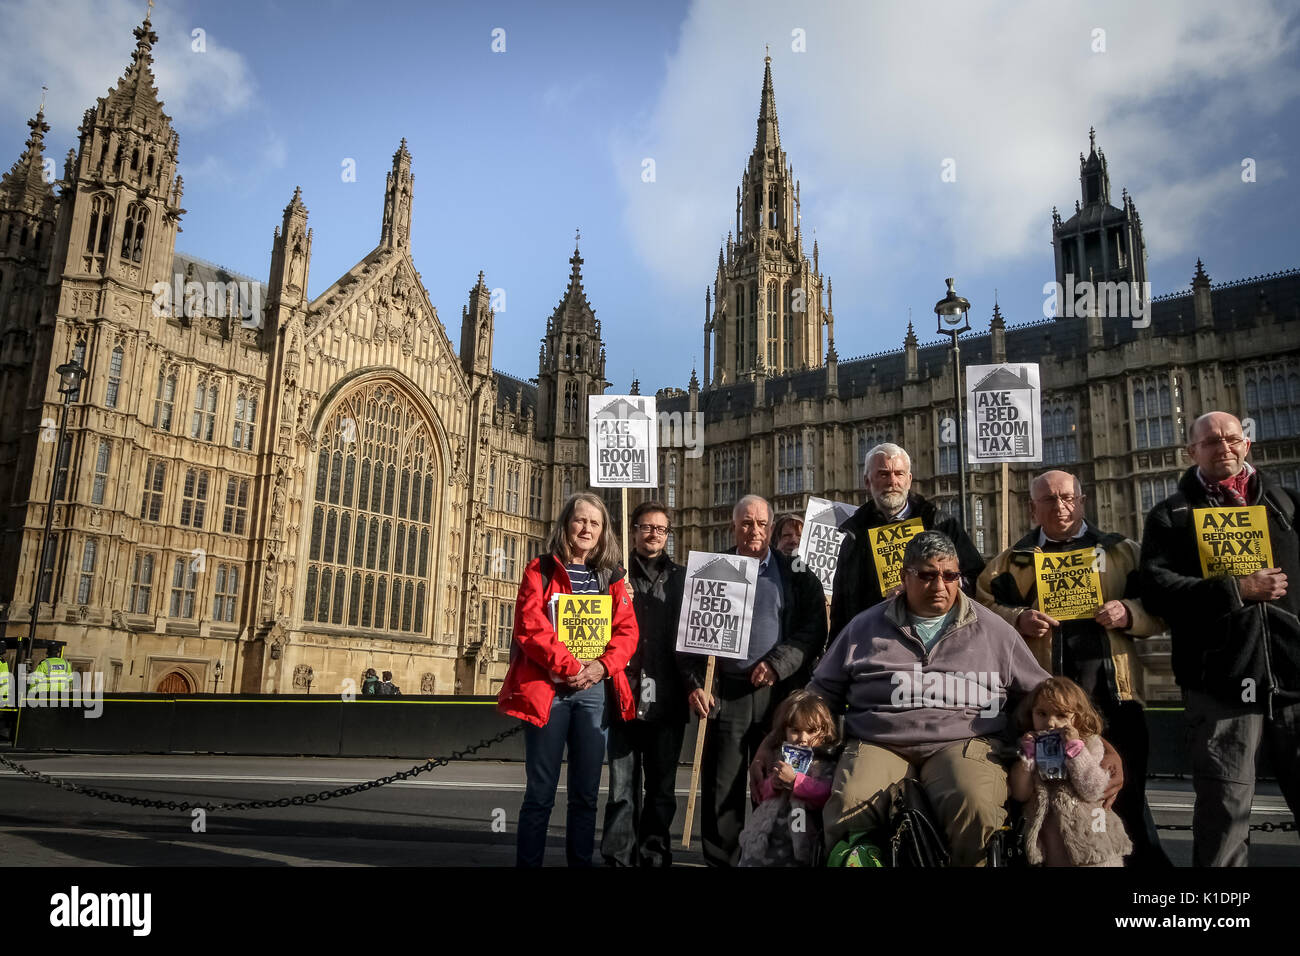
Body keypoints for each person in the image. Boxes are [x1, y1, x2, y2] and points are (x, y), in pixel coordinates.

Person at [756, 530, 1124, 865]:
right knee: (850, 800)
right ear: (905, 577)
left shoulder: (994, 629)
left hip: (964, 742)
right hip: (879, 741)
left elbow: (1050, 696)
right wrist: (772, 742)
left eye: (950, 576)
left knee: (976, 807)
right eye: (927, 575)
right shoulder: (863, 627)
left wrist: (1097, 743)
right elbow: (817, 697)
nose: (940, 584)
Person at [975, 469, 1171, 867]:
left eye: (1067, 498)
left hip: (1115, 698)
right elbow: (980, 614)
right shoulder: (1007, 565)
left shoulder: (1123, 553)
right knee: (1051, 802)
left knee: (1124, 800)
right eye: (1049, 499)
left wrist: (1128, 612)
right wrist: (1017, 619)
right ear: (1032, 508)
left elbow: (1161, 610)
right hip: (1049, 713)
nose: (1060, 506)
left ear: (1082, 501)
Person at [1140, 411, 1300, 866]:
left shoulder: (1287, 507)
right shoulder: (1171, 516)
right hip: (1220, 684)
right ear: (1192, 451)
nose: (1223, 447)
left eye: (1232, 439)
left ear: (1247, 444)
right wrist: (1237, 589)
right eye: (1210, 442)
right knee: (1223, 818)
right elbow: (1155, 591)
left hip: (1294, 678)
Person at [683, 494, 827, 867]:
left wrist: (779, 664)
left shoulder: (794, 572)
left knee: (772, 780)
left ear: (770, 526)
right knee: (722, 787)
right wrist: (696, 682)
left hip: (775, 693)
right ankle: (721, 860)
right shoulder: (712, 568)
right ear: (733, 526)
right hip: (725, 692)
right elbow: (686, 637)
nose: (755, 530)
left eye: (762, 524)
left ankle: (766, 856)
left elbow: (814, 628)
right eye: (746, 523)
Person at [497, 492, 639, 867]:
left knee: (586, 796)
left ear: (604, 531)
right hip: (549, 693)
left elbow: (627, 634)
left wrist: (600, 667)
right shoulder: (539, 570)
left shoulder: (612, 576)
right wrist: (569, 665)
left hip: (594, 692)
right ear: (566, 524)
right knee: (540, 793)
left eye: (595, 523)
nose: (587, 528)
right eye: (580, 520)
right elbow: (530, 627)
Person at [601, 500, 689, 867]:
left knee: (662, 791)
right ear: (633, 530)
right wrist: (614, 603)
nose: (653, 534)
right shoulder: (610, 578)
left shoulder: (685, 578)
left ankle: (654, 856)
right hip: (622, 695)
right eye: (646, 527)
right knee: (622, 791)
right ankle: (619, 859)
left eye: (661, 529)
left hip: (667, 698)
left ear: (668, 535)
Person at [829, 443, 984, 645]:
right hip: (873, 644)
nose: (892, 481)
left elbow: (976, 578)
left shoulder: (940, 523)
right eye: (883, 474)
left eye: (899, 474)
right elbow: (841, 608)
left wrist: (937, 584)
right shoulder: (854, 534)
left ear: (909, 480)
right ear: (868, 481)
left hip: (935, 642)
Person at [1010, 676, 1132, 867]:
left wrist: (1076, 751)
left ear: (1076, 717)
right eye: (1041, 713)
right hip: (1051, 845)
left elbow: (1093, 790)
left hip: (1092, 841)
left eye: (1061, 716)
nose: (1050, 723)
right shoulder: (1030, 744)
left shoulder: (1090, 743)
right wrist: (1027, 758)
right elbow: (1020, 793)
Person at [736, 689, 838, 867]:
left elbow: (826, 795)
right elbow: (761, 796)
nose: (803, 738)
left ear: (825, 730)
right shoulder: (779, 755)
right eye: (795, 730)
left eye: (811, 731)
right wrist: (772, 785)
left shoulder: (824, 761)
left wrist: (795, 782)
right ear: (785, 730)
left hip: (800, 837)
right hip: (767, 835)